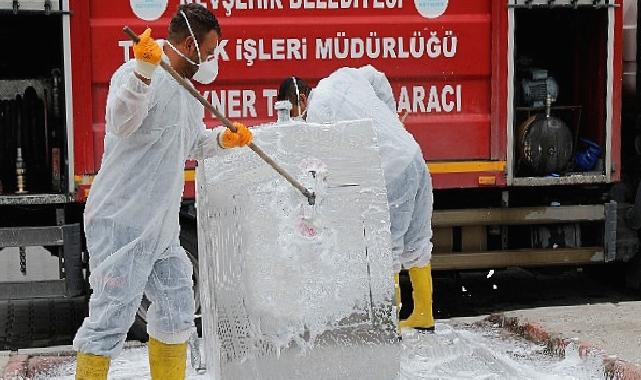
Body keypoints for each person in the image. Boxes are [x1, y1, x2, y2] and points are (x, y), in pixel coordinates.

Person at [72, 4, 253, 379]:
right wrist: (142, 73)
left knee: (176, 304)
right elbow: (122, 122)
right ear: (190, 43)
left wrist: (222, 139)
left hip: (160, 228)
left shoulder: (187, 93)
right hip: (121, 222)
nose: (212, 59)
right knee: (110, 317)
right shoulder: (137, 75)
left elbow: (187, 144)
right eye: (211, 50)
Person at [277, 66, 435, 331]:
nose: (300, 120)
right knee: (417, 241)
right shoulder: (343, 76)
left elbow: (330, 166)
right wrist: (390, 117)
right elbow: (379, 77)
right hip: (414, 156)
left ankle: (388, 326)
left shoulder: (318, 114)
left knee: (388, 250)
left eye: (295, 114)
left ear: (302, 100)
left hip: (392, 172)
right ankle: (424, 314)